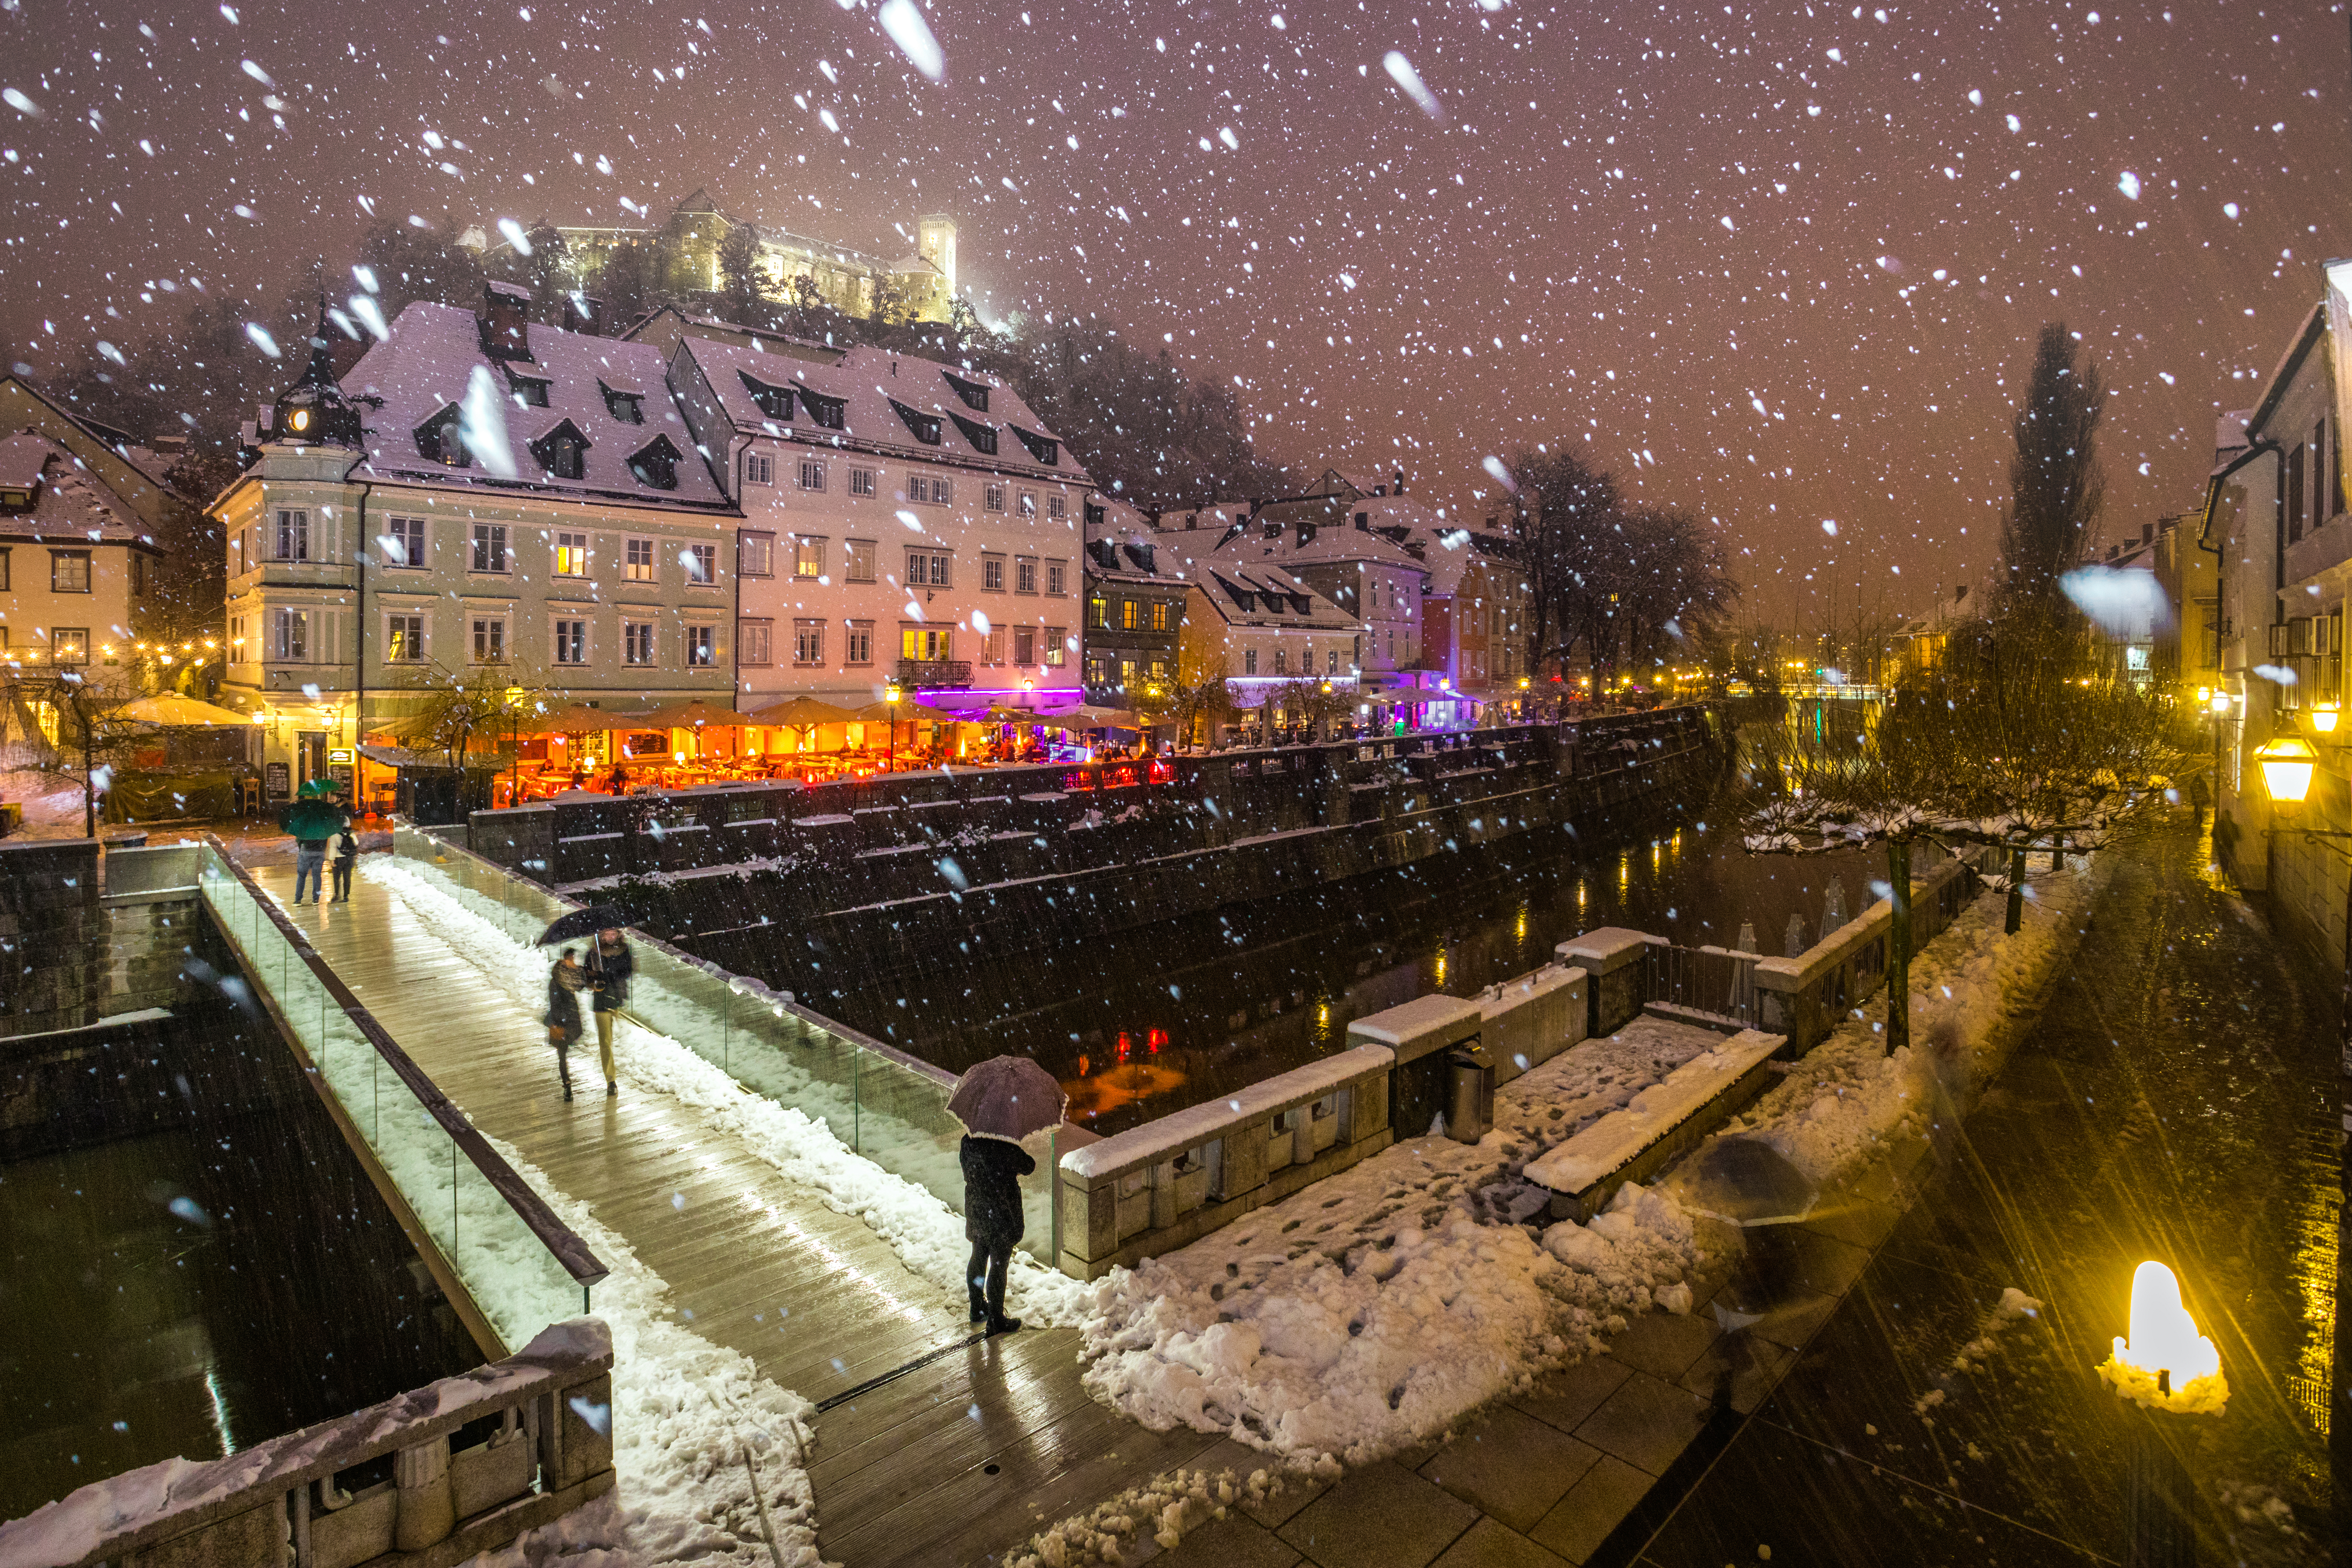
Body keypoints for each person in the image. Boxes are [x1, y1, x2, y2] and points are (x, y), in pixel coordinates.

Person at [959, 1131, 1036, 1335]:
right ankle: (996, 1319)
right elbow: (1029, 1166)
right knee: (999, 1264)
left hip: (977, 1209)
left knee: (979, 1255)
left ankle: (977, 1308)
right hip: (1001, 1211)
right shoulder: (1005, 1146)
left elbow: (968, 1172)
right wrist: (1013, 1143)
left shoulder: (968, 1141)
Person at [586, 927, 632, 1097]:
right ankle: (611, 1080)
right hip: (602, 1001)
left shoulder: (625, 951)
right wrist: (594, 981)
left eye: (614, 933)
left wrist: (611, 969)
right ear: (601, 936)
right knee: (605, 1042)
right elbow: (587, 979)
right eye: (607, 934)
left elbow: (628, 971)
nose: (611, 937)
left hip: (617, 999)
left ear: (619, 935)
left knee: (621, 1037)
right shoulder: (593, 954)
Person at [278, 787, 341, 905]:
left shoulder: (304, 824)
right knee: (317, 877)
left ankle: (298, 900)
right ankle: (316, 899)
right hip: (319, 854)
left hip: (305, 853)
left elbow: (299, 840)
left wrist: (302, 846)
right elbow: (325, 839)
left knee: (301, 876)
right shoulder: (323, 824)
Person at [544, 948, 587, 1101]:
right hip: (561, 1022)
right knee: (562, 1054)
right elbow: (555, 1003)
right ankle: (567, 1085)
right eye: (571, 959)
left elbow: (581, 985)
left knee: (563, 1052)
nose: (574, 962)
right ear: (565, 960)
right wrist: (560, 1022)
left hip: (571, 1020)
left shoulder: (571, 977)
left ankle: (567, 1085)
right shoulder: (557, 981)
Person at [329, 820, 360, 903]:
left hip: (338, 859)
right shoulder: (351, 833)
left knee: (336, 878)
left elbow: (333, 848)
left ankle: (336, 894)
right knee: (347, 877)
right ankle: (346, 896)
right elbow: (356, 843)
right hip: (349, 858)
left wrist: (332, 860)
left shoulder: (335, 835)